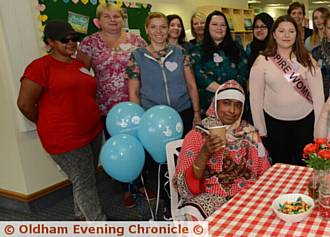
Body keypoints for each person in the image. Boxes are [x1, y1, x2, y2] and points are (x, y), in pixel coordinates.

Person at [17, 20, 107, 221]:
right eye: (64, 39)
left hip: (92, 131)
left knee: (84, 178)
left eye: (74, 39)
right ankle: (99, 224)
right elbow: (24, 104)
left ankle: (81, 217)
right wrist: (46, 121)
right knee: (85, 182)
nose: (71, 43)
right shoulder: (40, 67)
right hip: (66, 138)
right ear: (50, 42)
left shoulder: (78, 64)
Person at [76, 3, 150, 208]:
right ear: (98, 21)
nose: (113, 19)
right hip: (107, 107)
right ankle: (127, 188)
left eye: (117, 15)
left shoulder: (136, 40)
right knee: (119, 148)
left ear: (122, 19)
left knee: (140, 143)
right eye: (107, 16)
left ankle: (142, 183)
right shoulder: (89, 43)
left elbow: (147, 67)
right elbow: (81, 74)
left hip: (135, 102)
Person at [174, 80, 271, 220]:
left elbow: (265, 171)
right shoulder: (197, 135)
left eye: (238, 105)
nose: (232, 110)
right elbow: (184, 188)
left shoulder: (250, 134)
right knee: (193, 215)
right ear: (216, 104)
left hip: (246, 194)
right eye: (226, 103)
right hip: (211, 196)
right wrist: (205, 153)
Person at [249, 15, 324, 165]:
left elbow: (319, 97)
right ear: (274, 34)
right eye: (282, 31)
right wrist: (261, 129)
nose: (286, 35)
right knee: (279, 166)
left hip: (305, 123)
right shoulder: (262, 61)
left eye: (291, 31)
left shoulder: (308, 60)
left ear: (297, 35)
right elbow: (255, 98)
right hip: (274, 124)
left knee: (305, 167)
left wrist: (319, 127)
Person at [126, 12, 201, 137]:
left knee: (185, 153)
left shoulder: (180, 52)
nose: (158, 31)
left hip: (183, 112)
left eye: (163, 27)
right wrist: (139, 119)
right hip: (153, 116)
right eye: (153, 27)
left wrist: (197, 112)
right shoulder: (137, 56)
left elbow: (191, 84)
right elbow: (133, 92)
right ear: (147, 29)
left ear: (168, 29)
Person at [190, 11, 248, 113]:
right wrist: (226, 91)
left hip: (236, 105)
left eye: (223, 25)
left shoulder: (237, 47)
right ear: (208, 27)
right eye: (214, 24)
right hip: (209, 107)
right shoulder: (197, 51)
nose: (219, 28)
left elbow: (244, 72)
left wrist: (230, 92)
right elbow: (201, 78)